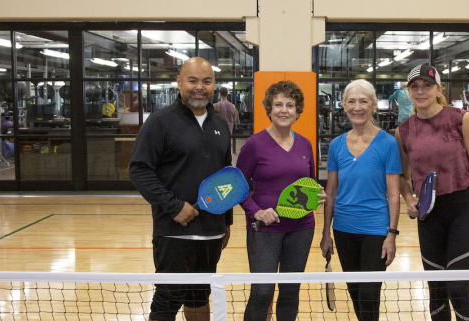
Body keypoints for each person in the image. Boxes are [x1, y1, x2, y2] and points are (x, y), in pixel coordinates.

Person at [128, 57, 233, 321]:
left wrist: (226, 221)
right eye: (193, 80)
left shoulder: (220, 125)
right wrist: (174, 207)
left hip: (211, 232)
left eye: (207, 81)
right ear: (179, 82)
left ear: (214, 85)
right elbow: (139, 169)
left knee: (199, 296)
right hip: (173, 232)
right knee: (167, 299)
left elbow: (225, 177)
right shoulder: (160, 122)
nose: (200, 87)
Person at [395, 63, 469, 321]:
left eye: (427, 85)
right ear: (408, 92)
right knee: (437, 290)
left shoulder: (462, 119)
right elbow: (404, 178)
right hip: (429, 217)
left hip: (464, 210)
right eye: (414, 86)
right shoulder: (403, 131)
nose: (420, 91)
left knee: (458, 288)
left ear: (439, 89)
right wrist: (409, 199)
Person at [236, 80, 326, 321]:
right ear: (269, 109)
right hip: (265, 230)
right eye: (278, 104)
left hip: (301, 228)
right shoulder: (254, 145)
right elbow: (238, 186)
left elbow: (310, 183)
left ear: (297, 112)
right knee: (262, 292)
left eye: (290, 105)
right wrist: (256, 211)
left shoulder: (306, 144)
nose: (284, 110)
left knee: (290, 291)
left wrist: (318, 195)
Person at [319, 79, 402, 321]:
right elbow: (331, 192)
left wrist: (392, 234)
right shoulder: (336, 145)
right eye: (351, 101)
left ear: (374, 106)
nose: (357, 107)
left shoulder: (387, 143)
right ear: (344, 106)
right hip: (343, 230)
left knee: (368, 294)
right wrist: (326, 233)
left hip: (376, 230)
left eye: (363, 101)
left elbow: (393, 193)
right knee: (355, 293)